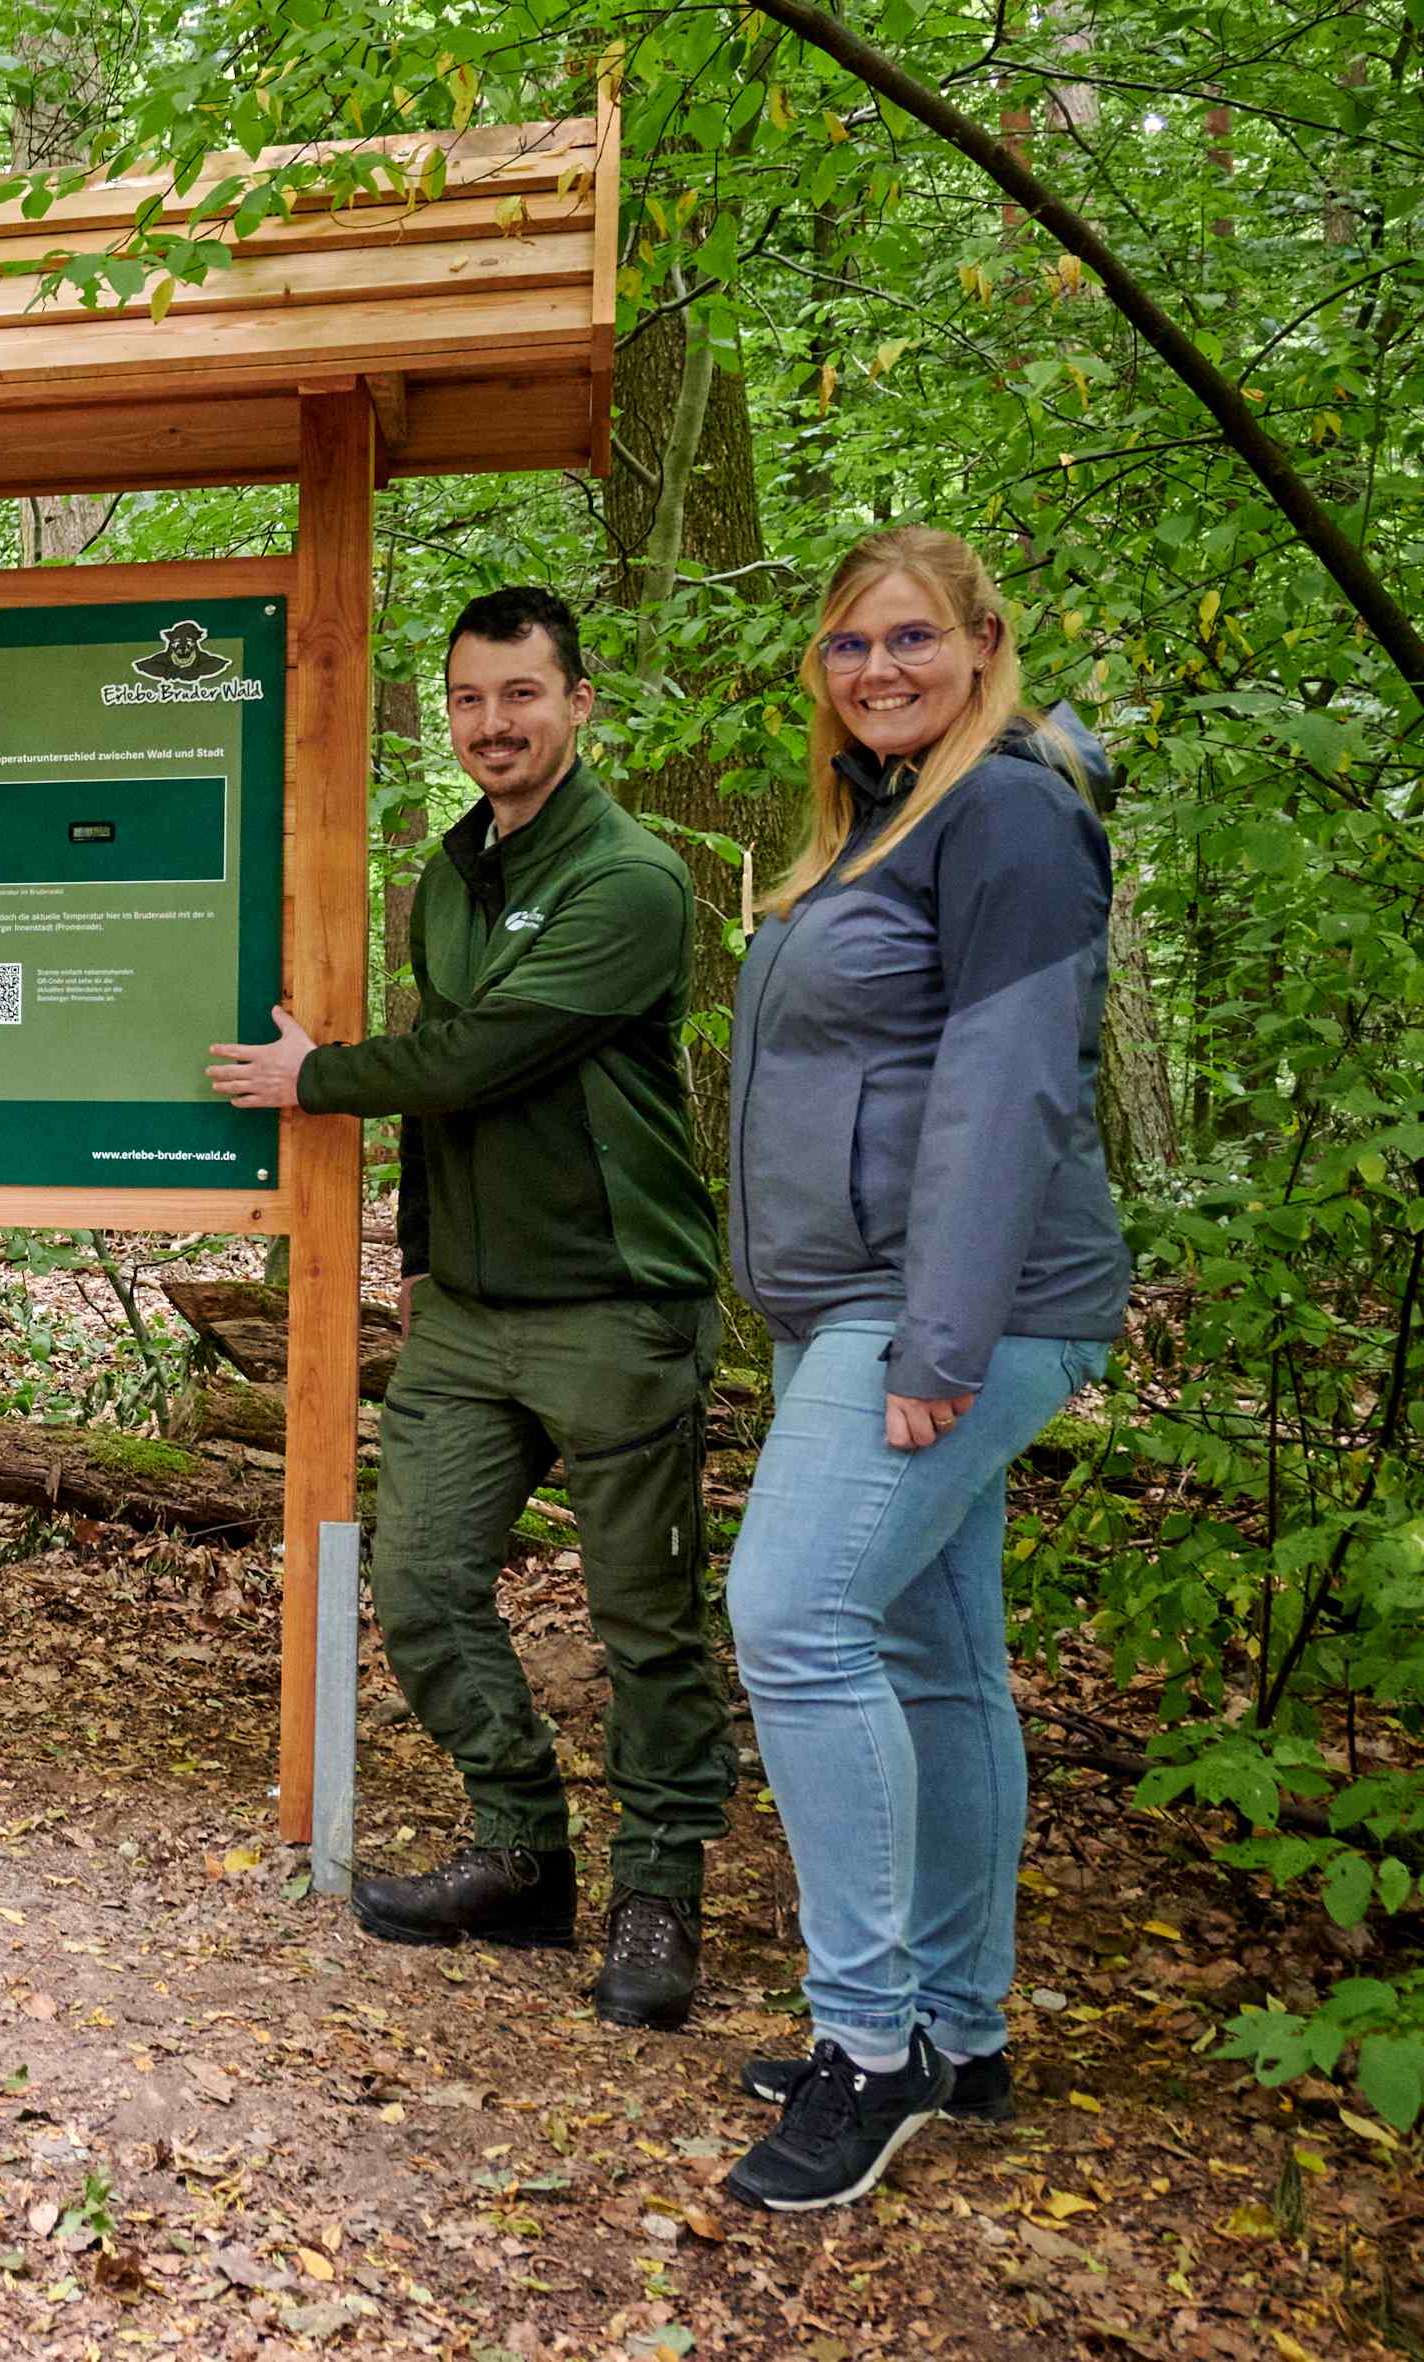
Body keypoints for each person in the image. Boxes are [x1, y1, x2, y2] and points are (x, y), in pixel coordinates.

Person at [209, 586, 729, 2030]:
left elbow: (478, 1054)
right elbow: (450, 1113)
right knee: (423, 1583)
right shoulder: (448, 875)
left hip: (616, 1309)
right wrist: (422, 1253)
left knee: (644, 1624)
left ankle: (655, 1897)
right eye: (467, 700)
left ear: (578, 703)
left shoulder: (628, 880)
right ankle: (520, 1856)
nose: (491, 725)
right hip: (469, 1312)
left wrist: (312, 1079)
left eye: (519, 695)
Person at [716, 526, 1126, 2211]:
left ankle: (868, 2048)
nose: (874, 668)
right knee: (935, 1656)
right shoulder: (892, 816)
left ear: (975, 642)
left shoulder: (1010, 810)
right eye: (845, 645)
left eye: (907, 639)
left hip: (945, 1305)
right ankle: (956, 2030)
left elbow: (1008, 1087)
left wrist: (938, 1342)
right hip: (871, 1302)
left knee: (788, 1618)